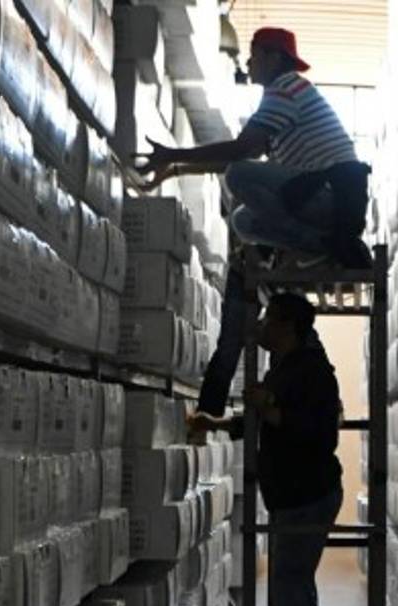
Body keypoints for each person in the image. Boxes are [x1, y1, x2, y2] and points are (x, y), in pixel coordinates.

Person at [135, 26, 371, 425]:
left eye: (254, 54)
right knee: (244, 220)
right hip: (318, 200)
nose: (248, 63)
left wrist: (175, 154)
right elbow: (250, 151)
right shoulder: (283, 96)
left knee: (241, 176)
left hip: (333, 200)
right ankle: (319, 245)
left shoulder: (286, 87)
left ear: (274, 58)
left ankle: (325, 244)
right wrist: (174, 165)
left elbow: (245, 151)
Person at [191, 292, 343, 606]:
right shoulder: (288, 366)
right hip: (293, 499)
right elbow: (258, 420)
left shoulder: (313, 371)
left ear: (289, 326)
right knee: (294, 593)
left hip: (307, 498)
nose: (261, 327)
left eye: (268, 320)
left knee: (291, 594)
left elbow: (320, 435)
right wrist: (215, 422)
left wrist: (271, 409)